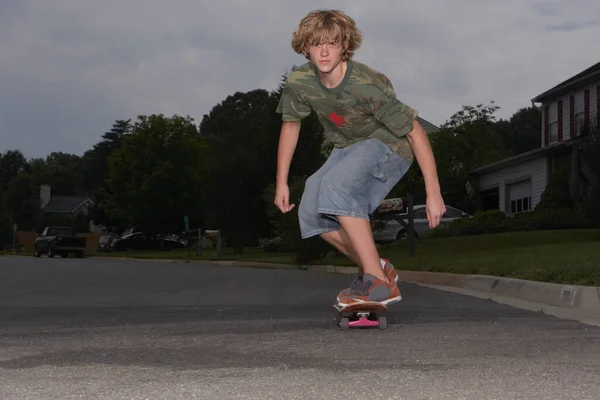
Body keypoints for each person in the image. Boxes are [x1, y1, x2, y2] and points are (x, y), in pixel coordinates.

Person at [274, 9, 446, 306]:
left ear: (345, 45)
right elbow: (291, 125)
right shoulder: (299, 82)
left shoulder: (366, 85)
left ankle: (378, 285)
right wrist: (281, 182)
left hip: (388, 146)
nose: (324, 51)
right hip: (346, 147)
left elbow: (416, 132)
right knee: (311, 211)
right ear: (306, 47)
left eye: (332, 43)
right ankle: (377, 269)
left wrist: (434, 193)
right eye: (316, 44)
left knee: (337, 188)